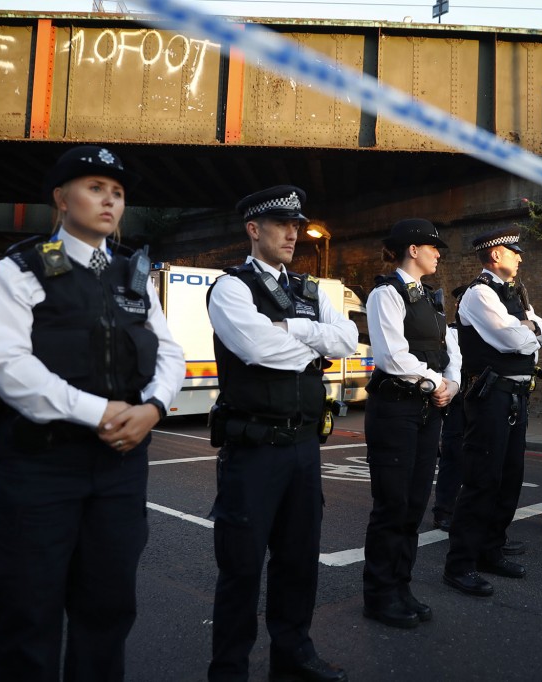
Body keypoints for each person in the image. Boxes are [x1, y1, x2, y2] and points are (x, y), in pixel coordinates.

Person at [0, 145, 186, 680]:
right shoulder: (20, 267)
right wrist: (104, 412)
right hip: (38, 471)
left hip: (117, 472)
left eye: (117, 193)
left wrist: (155, 408)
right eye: (96, 188)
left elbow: (168, 352)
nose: (110, 201)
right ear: (60, 198)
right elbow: (8, 366)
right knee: (28, 613)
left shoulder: (132, 273)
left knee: (108, 612)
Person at [206, 185, 356, 682]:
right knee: (242, 569)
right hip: (253, 450)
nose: (294, 233)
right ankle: (228, 670)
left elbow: (349, 340)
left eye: (297, 224)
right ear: (254, 229)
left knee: (298, 564)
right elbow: (256, 350)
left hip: (302, 448)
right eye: (281, 224)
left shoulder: (308, 290)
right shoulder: (231, 288)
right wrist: (314, 341)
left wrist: (291, 329)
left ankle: (293, 657)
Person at [443, 227, 542, 597]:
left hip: (515, 396)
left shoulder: (514, 294)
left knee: (509, 478)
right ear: (495, 256)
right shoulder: (478, 294)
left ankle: (491, 548)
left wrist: (529, 326)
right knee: (481, 479)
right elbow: (512, 340)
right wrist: (529, 329)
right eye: (514, 251)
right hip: (490, 396)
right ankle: (459, 563)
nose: (520, 257)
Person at [361, 219, 461, 629]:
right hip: (395, 410)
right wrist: (438, 382)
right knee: (392, 505)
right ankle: (379, 595)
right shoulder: (386, 294)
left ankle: (401, 586)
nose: (439, 252)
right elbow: (390, 356)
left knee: (415, 504)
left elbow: (450, 348)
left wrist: (451, 384)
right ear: (413, 250)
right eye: (433, 246)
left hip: (426, 410)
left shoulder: (433, 300)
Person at [430, 286, 468, 533]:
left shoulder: (494, 331)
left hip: (486, 403)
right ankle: (443, 511)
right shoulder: (452, 332)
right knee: (453, 459)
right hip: (461, 402)